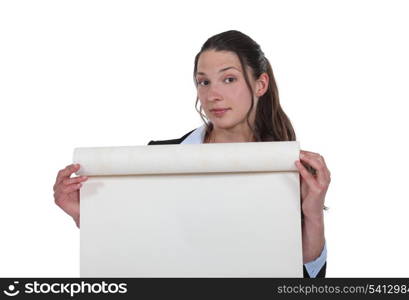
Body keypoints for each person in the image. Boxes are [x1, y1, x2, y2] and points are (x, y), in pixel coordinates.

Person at [53, 30, 331, 278]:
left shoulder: (290, 169)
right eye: (204, 82)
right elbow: (137, 252)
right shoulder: (155, 161)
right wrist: (86, 216)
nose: (213, 94)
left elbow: (305, 279)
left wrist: (314, 213)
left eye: (229, 79)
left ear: (260, 84)